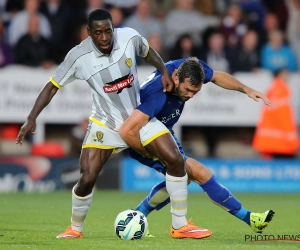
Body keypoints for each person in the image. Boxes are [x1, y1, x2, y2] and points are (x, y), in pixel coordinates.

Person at [16, 9, 209, 240]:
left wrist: (164, 72)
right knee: (87, 178)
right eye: (98, 33)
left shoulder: (128, 37)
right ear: (89, 33)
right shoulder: (78, 57)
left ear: (113, 27)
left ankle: (179, 226)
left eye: (108, 31)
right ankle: (74, 229)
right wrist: (31, 117)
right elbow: (52, 86)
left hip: (138, 116)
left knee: (176, 160)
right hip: (105, 123)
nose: (105, 37)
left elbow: (148, 52)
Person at [119, 57, 275, 237]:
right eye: (188, 90)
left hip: (163, 131)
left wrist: (246, 89)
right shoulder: (157, 91)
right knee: (199, 172)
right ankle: (247, 219)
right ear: (176, 78)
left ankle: (137, 215)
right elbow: (128, 130)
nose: (191, 96)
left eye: (196, 91)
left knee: (183, 179)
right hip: (145, 135)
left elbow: (216, 76)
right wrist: (150, 153)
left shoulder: (191, 68)